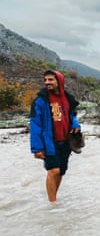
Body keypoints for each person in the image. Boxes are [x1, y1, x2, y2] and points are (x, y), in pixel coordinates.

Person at [30, 70, 81, 203]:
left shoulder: (68, 98)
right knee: (53, 171)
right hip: (49, 142)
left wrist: (75, 124)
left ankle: (54, 198)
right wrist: (37, 148)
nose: (47, 82)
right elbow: (35, 124)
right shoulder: (40, 101)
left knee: (61, 172)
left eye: (51, 80)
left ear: (59, 81)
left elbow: (72, 114)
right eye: (45, 80)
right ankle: (52, 204)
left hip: (66, 141)